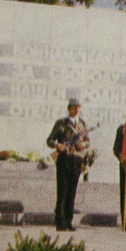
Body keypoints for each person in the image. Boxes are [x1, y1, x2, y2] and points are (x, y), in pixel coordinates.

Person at [46, 98, 92, 231]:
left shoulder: (83, 124)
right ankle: (60, 221)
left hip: (76, 160)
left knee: (72, 191)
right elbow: (49, 140)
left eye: (78, 107)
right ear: (69, 108)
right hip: (64, 159)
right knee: (63, 191)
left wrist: (83, 145)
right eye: (73, 107)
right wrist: (57, 145)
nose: (76, 109)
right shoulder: (61, 123)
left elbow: (88, 141)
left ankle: (68, 221)